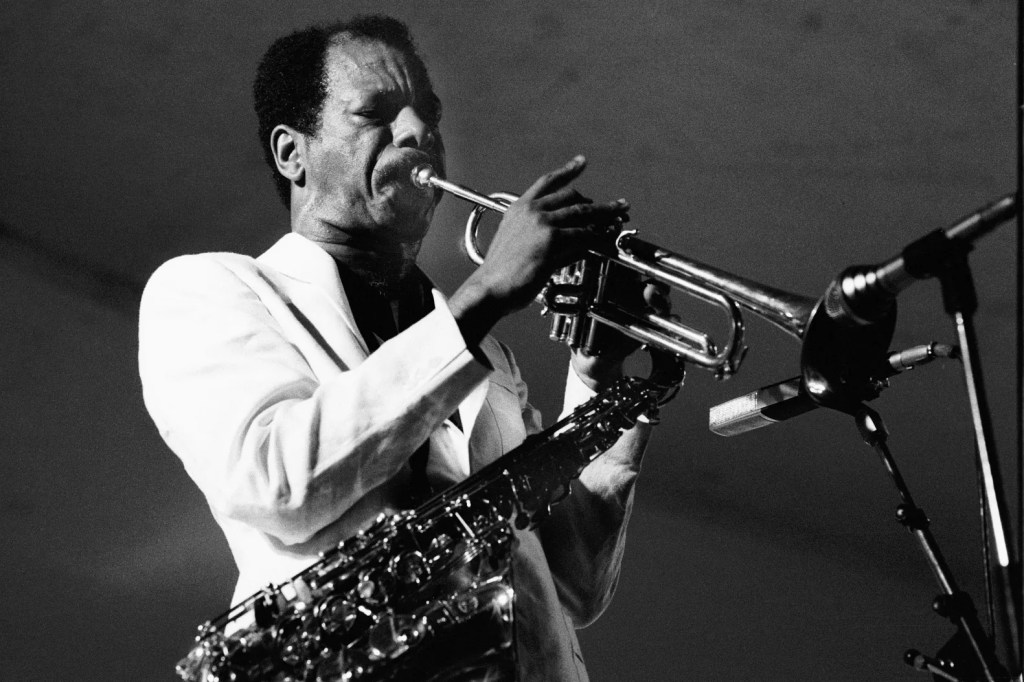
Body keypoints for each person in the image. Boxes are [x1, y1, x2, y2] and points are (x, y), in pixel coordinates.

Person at [139, 14, 657, 681]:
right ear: (292, 154)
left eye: (428, 114)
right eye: (374, 114)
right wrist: (485, 294)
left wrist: (601, 377)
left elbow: (575, 585)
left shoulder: (493, 360)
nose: (418, 133)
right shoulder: (211, 289)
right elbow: (277, 482)